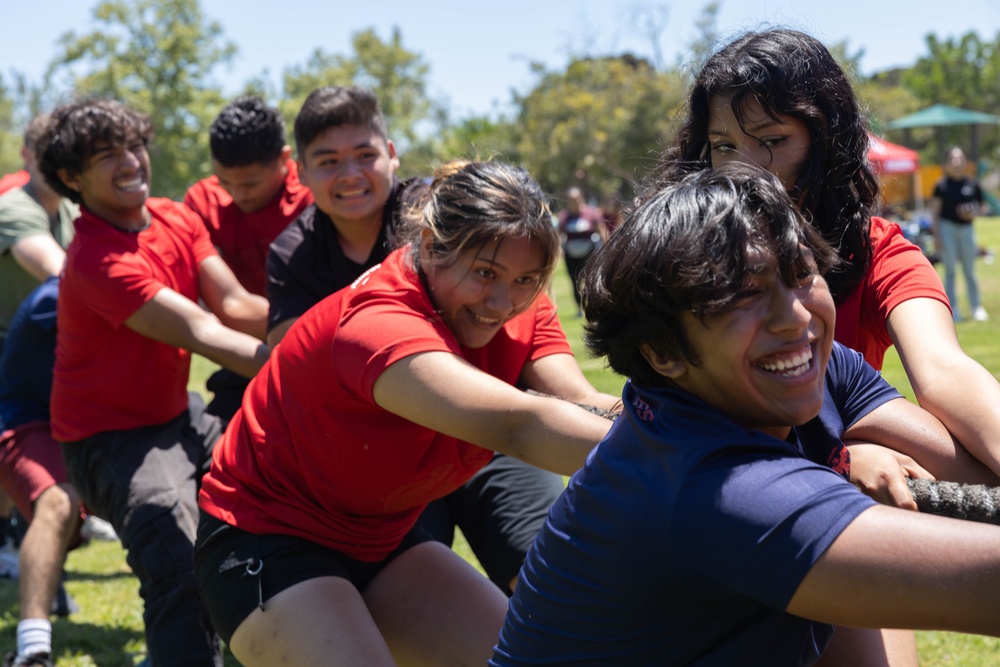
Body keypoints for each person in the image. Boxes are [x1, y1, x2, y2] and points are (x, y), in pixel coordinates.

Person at [491, 163, 1000, 667]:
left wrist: (842, 460)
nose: (796, 317)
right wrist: (841, 468)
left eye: (801, 273)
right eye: (744, 293)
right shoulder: (718, 490)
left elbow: (979, 481)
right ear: (660, 349)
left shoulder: (801, 369)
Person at [195, 159, 617, 667]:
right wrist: (682, 455)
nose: (502, 302)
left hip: (382, 538)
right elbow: (519, 425)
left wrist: (693, 423)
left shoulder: (520, 304)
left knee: (535, 658)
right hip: (265, 538)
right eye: (484, 273)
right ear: (433, 247)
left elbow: (577, 399)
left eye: (526, 279)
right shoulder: (378, 323)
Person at [266, 86, 592, 595]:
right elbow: (296, 364)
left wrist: (676, 423)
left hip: (488, 432)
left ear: (392, 154)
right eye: (329, 161)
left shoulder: (468, 219)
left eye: (365, 155)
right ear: (301, 173)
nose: (351, 175)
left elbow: (570, 400)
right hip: (387, 450)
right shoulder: (298, 256)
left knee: (556, 580)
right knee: (412, 597)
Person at [654, 27, 1000, 504]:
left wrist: (839, 446)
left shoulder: (879, 255)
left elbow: (944, 371)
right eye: (725, 145)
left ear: (826, 143)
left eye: (772, 140)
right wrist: (835, 454)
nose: (744, 170)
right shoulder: (678, 260)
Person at [37, 98, 270, 667]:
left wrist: (335, 322)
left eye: (135, 144)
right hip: (108, 440)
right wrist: (328, 367)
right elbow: (205, 334)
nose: (131, 161)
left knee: (277, 479)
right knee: (171, 540)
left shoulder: (172, 216)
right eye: (107, 154)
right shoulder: (96, 259)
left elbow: (236, 305)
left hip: (173, 414)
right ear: (72, 177)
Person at [185, 95, 313, 421]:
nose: (238, 194)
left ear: (286, 159)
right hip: (248, 356)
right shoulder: (203, 202)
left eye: (251, 183)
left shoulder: (313, 200)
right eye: (226, 181)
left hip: (316, 353)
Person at [0, 277, 81, 667]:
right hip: (21, 425)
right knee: (59, 501)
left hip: (78, 427)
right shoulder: (59, 294)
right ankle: (32, 651)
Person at [0, 114, 78, 343]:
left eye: (71, 153)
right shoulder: (12, 208)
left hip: (45, 343)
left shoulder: (72, 209)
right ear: (27, 155)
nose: (61, 163)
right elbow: (63, 275)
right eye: (51, 153)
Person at [931, 146, 987, 322]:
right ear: (947, 163)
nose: (957, 162)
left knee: (970, 270)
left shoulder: (973, 184)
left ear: (965, 162)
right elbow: (935, 213)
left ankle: (976, 307)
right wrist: (937, 236)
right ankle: (952, 308)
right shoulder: (941, 185)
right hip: (948, 229)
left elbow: (981, 207)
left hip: (967, 230)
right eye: (953, 159)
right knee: (950, 271)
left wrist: (972, 213)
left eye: (960, 159)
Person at [555, 186, 604, 316]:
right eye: (571, 200)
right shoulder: (564, 217)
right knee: (575, 281)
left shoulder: (591, 213)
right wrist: (558, 249)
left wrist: (605, 248)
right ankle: (579, 308)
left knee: (591, 280)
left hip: (589, 253)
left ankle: (595, 306)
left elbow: (601, 231)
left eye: (576, 199)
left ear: (581, 199)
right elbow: (558, 236)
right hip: (571, 255)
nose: (574, 202)